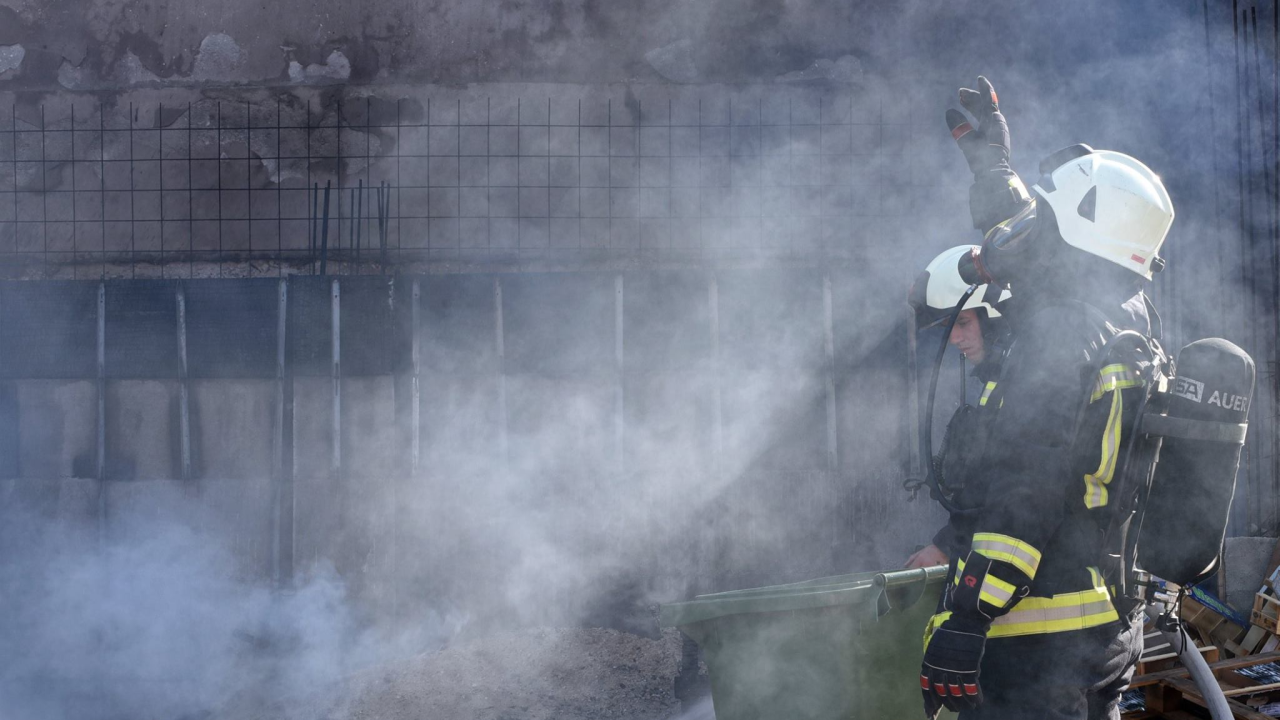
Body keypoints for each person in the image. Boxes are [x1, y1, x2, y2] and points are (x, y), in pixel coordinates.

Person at [919, 77, 1174, 720]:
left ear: (1078, 234)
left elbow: (1027, 487)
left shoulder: (1060, 337)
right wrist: (992, 167)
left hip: (1038, 645)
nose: (1027, 232)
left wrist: (970, 618)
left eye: (1047, 218)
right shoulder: (1120, 309)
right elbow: (1032, 247)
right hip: (1101, 627)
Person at [905, 245, 1011, 570]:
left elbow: (1009, 486)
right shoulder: (997, 383)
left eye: (962, 322)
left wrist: (946, 545)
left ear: (993, 318)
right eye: (947, 328)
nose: (953, 339)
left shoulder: (1022, 387)